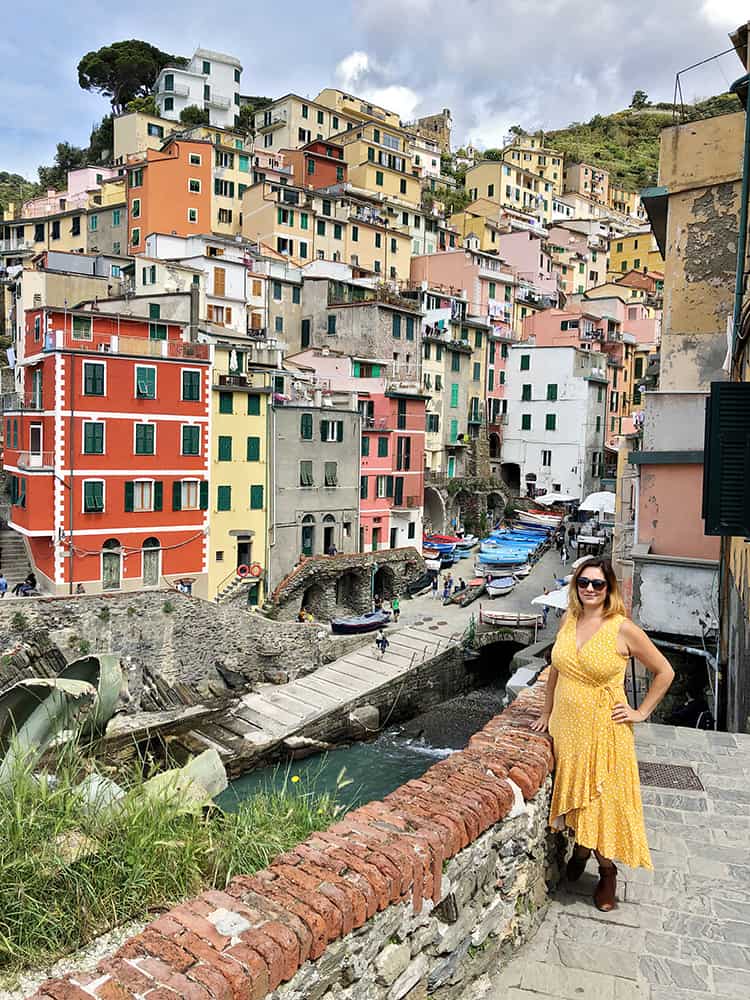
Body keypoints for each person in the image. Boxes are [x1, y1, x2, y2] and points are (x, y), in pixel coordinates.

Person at [530, 557, 674, 911]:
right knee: (580, 797)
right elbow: (555, 672)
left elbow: (665, 671)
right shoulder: (569, 619)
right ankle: (580, 848)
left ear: (609, 589)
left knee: (603, 802)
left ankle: (607, 872)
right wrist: (546, 712)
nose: (590, 589)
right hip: (566, 728)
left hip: (605, 730)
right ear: (575, 586)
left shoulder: (622, 628)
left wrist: (641, 712)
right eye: (584, 583)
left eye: (598, 584)